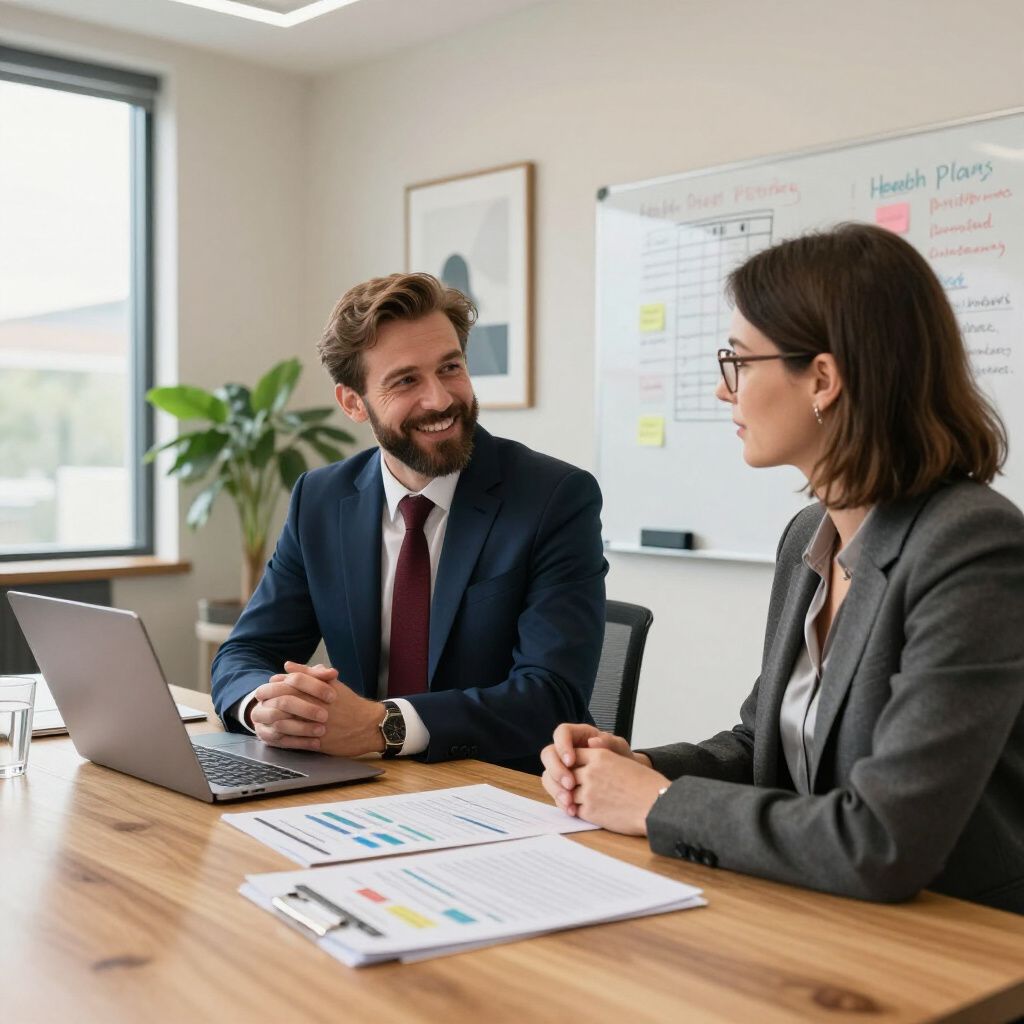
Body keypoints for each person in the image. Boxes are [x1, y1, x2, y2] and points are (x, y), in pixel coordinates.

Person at [542, 223, 1024, 912]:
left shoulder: (971, 544)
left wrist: (658, 804)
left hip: (961, 946)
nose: (721, 389)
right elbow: (763, 746)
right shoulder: (809, 536)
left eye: (737, 361)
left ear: (822, 379)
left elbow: (883, 841)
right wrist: (639, 768)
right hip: (819, 916)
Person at [212, 272, 606, 773]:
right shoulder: (321, 498)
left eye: (451, 368)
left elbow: (551, 695)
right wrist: (265, 708)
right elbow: (246, 652)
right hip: (360, 785)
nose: (440, 399)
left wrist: (382, 725)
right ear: (354, 403)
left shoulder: (553, 497)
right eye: (406, 381)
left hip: (499, 789)